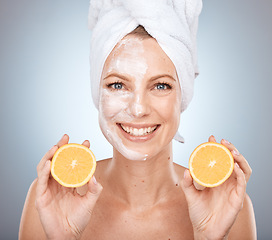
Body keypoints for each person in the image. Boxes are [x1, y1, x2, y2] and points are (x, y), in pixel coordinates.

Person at [19, 1, 257, 239]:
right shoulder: (51, 199)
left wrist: (208, 237)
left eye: (161, 85)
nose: (139, 109)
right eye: (118, 85)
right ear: (97, 94)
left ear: (183, 96)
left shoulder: (227, 205)